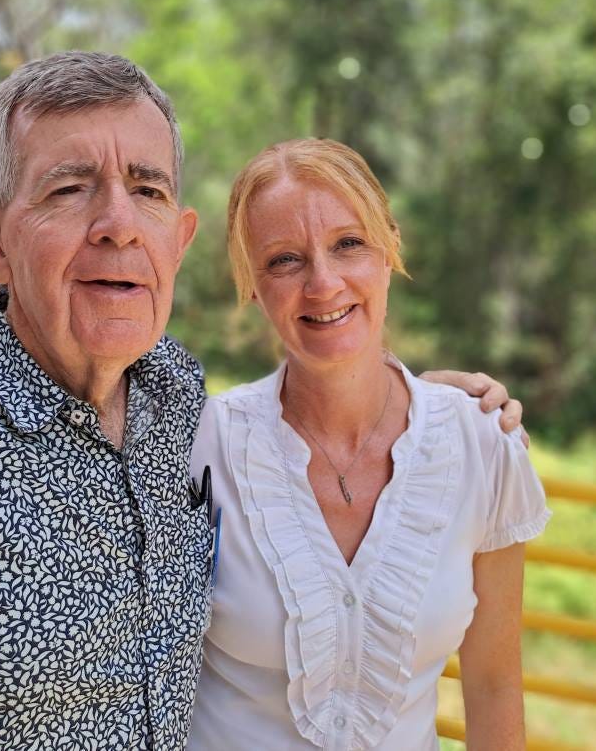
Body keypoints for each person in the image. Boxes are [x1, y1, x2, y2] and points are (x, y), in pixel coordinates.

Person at [0, 53, 524, 750]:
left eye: (147, 189)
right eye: (70, 188)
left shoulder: (177, 406)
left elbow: (320, 398)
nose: (118, 223)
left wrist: (430, 405)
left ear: (178, 242)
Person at [188, 138, 550, 750]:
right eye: (283, 260)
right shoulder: (201, 447)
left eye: (348, 244)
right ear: (251, 285)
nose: (322, 283)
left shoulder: (482, 444)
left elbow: (492, 684)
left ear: (390, 249)